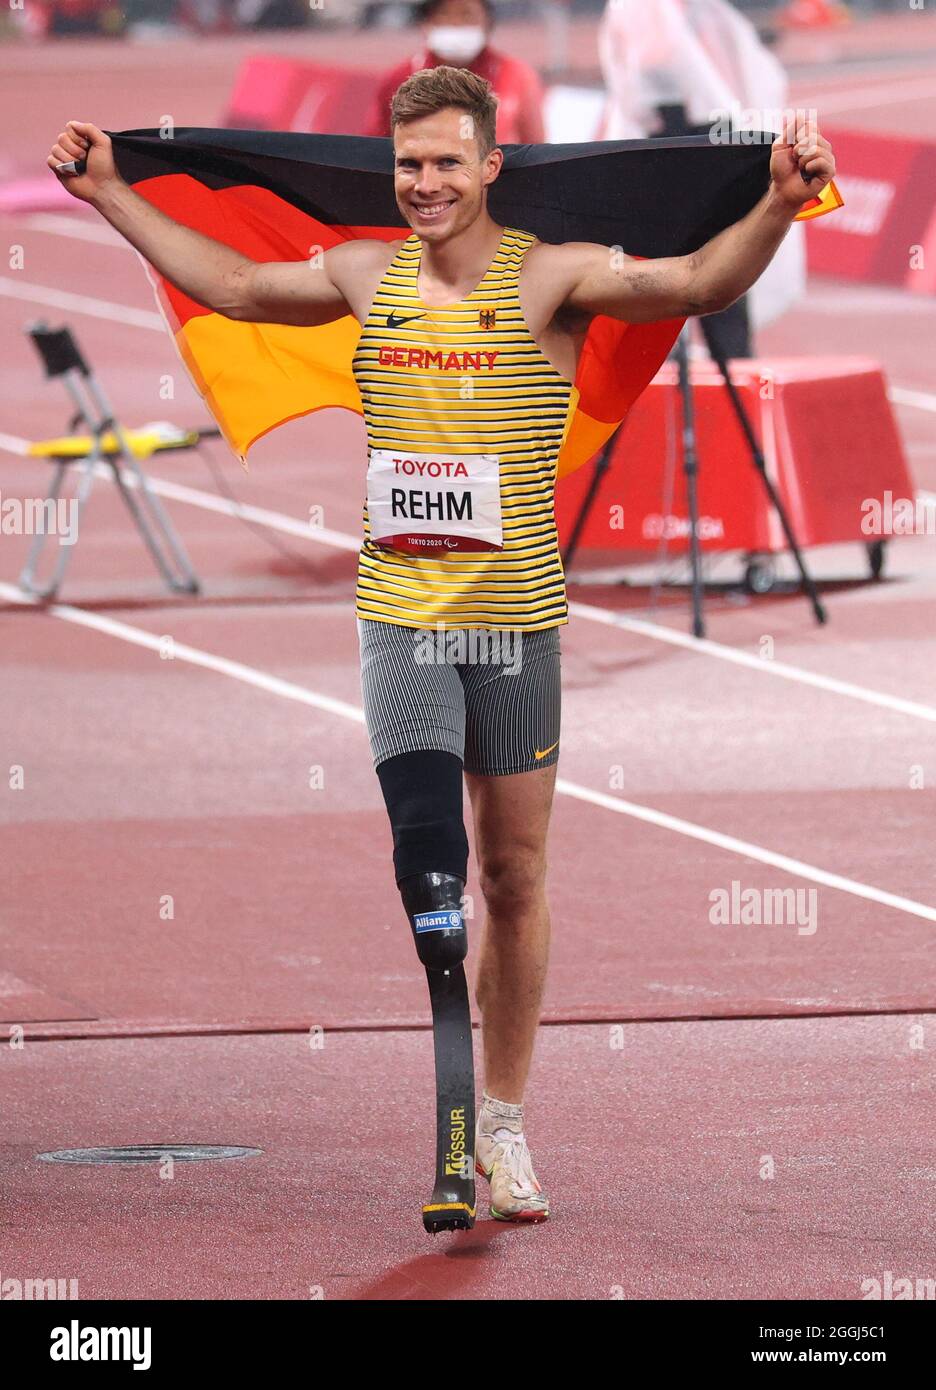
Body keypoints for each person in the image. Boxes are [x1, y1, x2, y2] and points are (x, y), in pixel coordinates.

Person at [49, 68, 835, 1223]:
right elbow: (230, 280)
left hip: (517, 622)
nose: (424, 183)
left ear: (490, 168)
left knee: (514, 876)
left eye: (447, 164)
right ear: (394, 166)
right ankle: (450, 1125)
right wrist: (112, 192)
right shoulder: (368, 274)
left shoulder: (551, 276)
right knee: (433, 872)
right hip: (402, 618)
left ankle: (502, 1130)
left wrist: (774, 201)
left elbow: (698, 279)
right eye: (408, 164)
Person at [366, 0, 545, 144]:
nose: (455, 23)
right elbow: (374, 147)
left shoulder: (516, 75)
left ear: (487, 22)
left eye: (467, 14)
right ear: (426, 22)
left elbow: (535, 149)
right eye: (444, 15)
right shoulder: (400, 77)